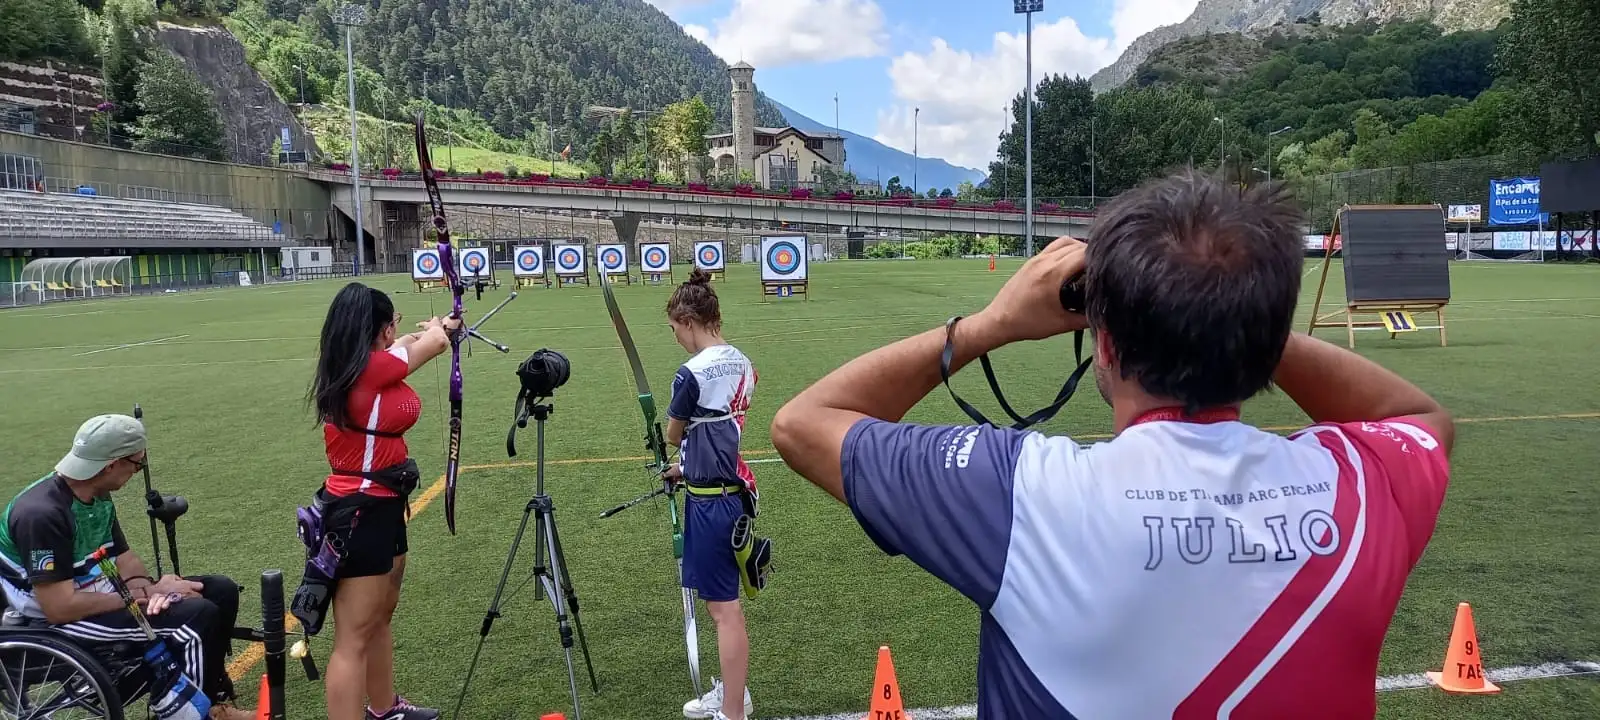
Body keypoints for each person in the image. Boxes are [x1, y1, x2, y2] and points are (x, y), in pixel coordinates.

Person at [771, 172, 1454, 719]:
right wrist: (1234, 317)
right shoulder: (1359, 488)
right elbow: (1421, 418)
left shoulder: (1023, 495)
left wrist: (989, 325)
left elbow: (805, 423)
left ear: (1105, 340)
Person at [0, 414, 254, 720]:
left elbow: (124, 557)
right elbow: (58, 607)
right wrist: (141, 595)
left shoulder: (94, 493)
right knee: (196, 616)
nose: (138, 471)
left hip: (91, 591)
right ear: (110, 465)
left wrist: (149, 589)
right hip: (52, 617)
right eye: (136, 464)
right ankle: (189, 712)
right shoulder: (42, 514)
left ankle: (212, 704)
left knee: (219, 591)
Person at [308, 282, 459, 720]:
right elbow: (427, 343)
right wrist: (438, 329)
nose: (398, 332)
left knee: (379, 616)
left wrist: (433, 330)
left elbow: (413, 346)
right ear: (379, 330)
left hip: (382, 503)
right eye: (392, 324)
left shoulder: (363, 364)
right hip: (360, 510)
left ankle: (383, 709)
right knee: (353, 637)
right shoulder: (369, 370)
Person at [663, 269, 759, 720]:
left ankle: (734, 712)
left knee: (724, 611)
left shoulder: (690, 373)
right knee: (720, 605)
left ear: (688, 320)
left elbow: (671, 433)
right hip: (726, 490)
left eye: (674, 328)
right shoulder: (743, 362)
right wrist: (685, 466)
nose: (676, 338)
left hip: (711, 503)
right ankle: (733, 694)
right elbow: (721, 432)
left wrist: (677, 455)